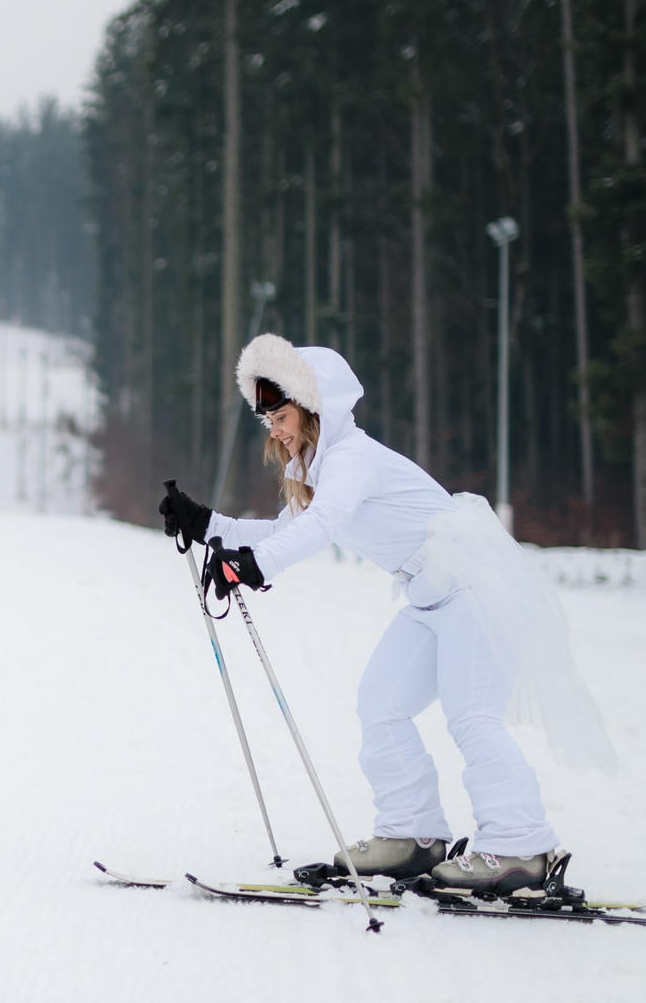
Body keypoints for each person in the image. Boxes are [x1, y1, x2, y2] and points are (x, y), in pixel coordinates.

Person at [156, 335, 613, 896]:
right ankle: (413, 836)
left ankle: (521, 846)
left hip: (475, 589)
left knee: (472, 717)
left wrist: (247, 567)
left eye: (280, 413)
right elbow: (287, 530)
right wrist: (206, 525)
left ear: (313, 405)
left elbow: (321, 528)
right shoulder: (319, 470)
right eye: (266, 418)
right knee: (382, 704)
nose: (273, 428)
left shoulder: (352, 459)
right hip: (430, 597)